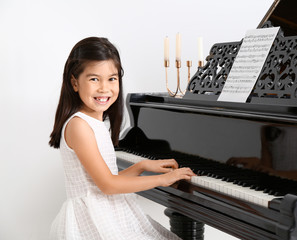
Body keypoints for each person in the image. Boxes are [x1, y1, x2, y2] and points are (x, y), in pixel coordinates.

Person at [49, 37, 195, 240]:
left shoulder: (94, 123)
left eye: (112, 78)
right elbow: (108, 185)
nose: (104, 88)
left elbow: (104, 182)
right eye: (94, 79)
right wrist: (163, 179)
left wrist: (142, 166)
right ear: (75, 82)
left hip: (109, 214)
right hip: (94, 222)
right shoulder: (79, 126)